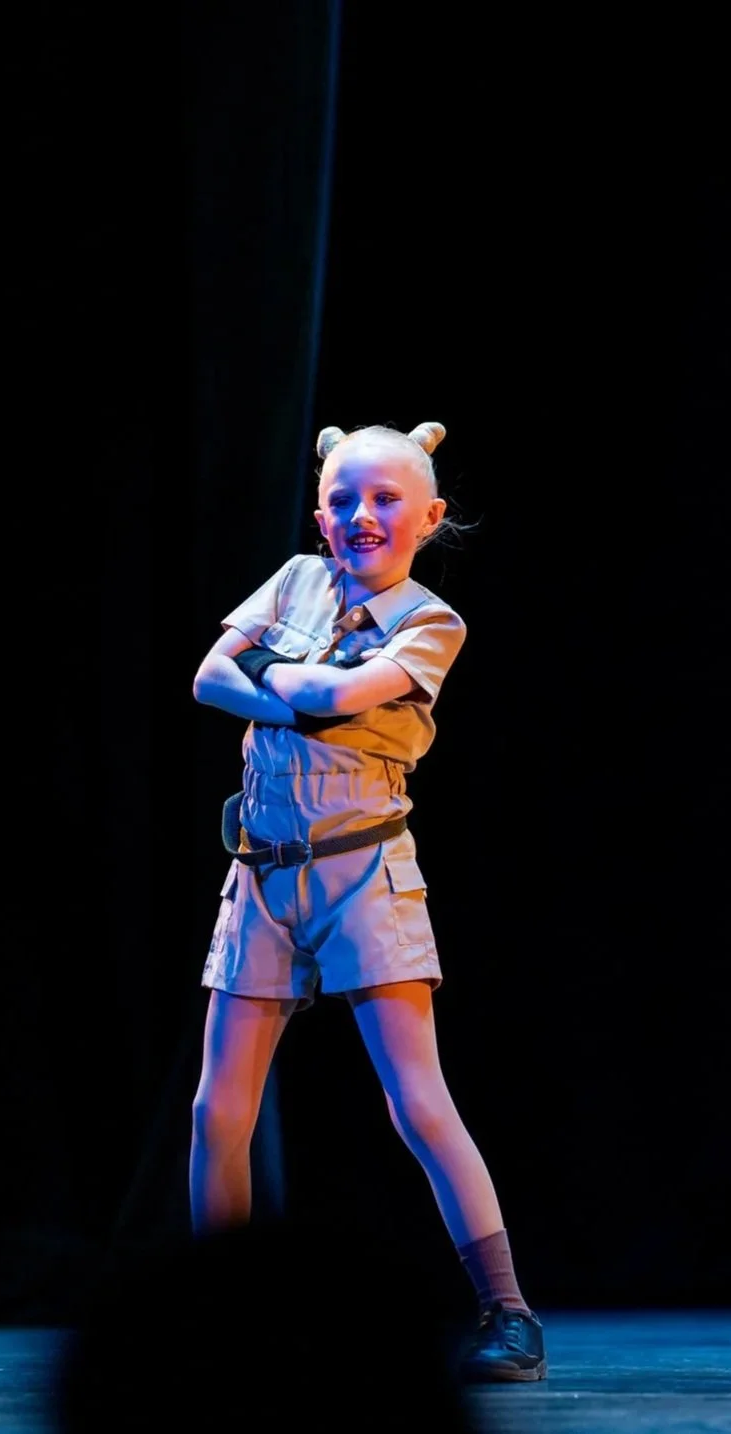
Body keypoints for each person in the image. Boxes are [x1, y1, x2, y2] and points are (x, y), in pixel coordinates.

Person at [190, 420, 548, 1383]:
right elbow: (208, 677)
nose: (362, 516)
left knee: (416, 1101)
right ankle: (218, 1312)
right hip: (263, 872)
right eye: (345, 500)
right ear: (320, 514)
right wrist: (294, 685)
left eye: (386, 499)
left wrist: (272, 676)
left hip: (363, 874)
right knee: (218, 1108)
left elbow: (344, 698)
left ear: (428, 517)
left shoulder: (432, 622)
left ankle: (507, 1309)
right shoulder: (293, 581)